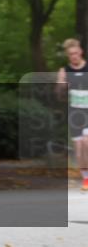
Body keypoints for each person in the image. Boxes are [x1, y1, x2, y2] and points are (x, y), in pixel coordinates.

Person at [56, 38, 88, 191]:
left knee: (86, 144)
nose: (74, 56)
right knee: (79, 147)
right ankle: (86, 179)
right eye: (71, 54)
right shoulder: (65, 71)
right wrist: (60, 84)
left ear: (81, 52)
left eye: (76, 53)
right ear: (68, 56)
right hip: (75, 113)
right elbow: (59, 95)